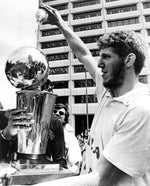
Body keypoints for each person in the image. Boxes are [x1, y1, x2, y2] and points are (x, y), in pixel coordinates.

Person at [32, 4, 150, 186]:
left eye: (107, 57)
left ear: (129, 60)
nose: (99, 63)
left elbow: (103, 179)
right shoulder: (107, 91)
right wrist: (60, 23)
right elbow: (83, 54)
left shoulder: (141, 110)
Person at [0, 107, 67, 168]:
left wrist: (46, 168)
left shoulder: (54, 123)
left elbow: (61, 162)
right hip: (11, 172)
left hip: (42, 177)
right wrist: (7, 132)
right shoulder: (8, 118)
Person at [53, 103, 82, 175]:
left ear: (65, 119)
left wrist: (65, 174)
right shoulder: (44, 134)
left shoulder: (70, 137)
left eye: (61, 113)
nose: (57, 114)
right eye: (55, 111)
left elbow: (76, 165)